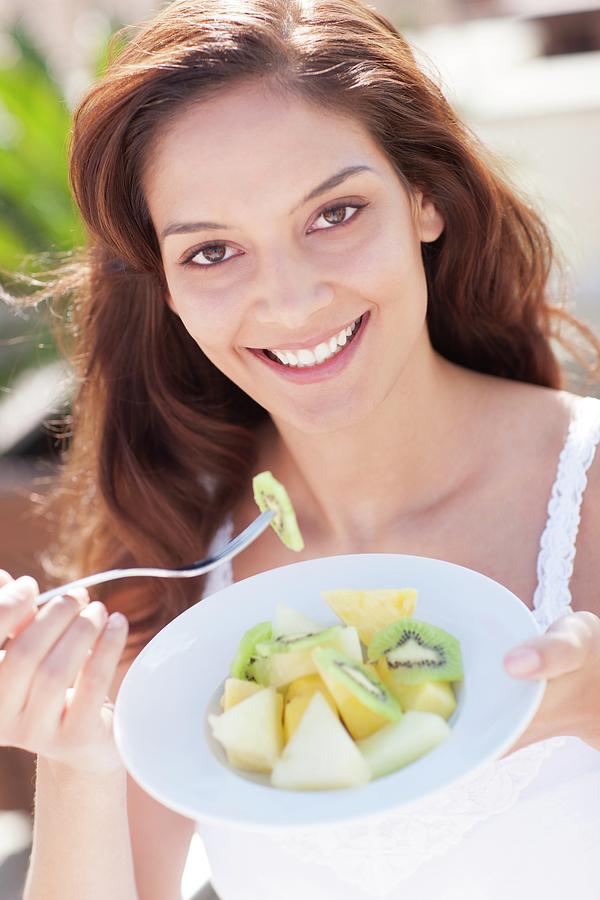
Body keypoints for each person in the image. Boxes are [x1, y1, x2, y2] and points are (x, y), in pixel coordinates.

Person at [1, 0, 599, 897]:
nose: (288, 301)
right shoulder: (175, 548)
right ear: (163, 286)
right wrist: (80, 757)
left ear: (425, 198)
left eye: (335, 213)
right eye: (211, 253)